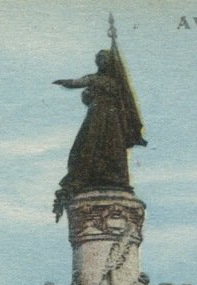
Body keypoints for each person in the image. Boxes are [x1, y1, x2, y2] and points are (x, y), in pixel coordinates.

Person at [52, 45, 146, 203]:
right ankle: (92, 175)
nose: (101, 62)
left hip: (112, 118)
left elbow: (127, 102)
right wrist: (65, 82)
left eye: (105, 59)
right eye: (99, 59)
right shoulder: (94, 78)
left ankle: (112, 176)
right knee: (88, 144)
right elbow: (78, 82)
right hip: (96, 116)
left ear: (110, 62)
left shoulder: (117, 83)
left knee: (113, 147)